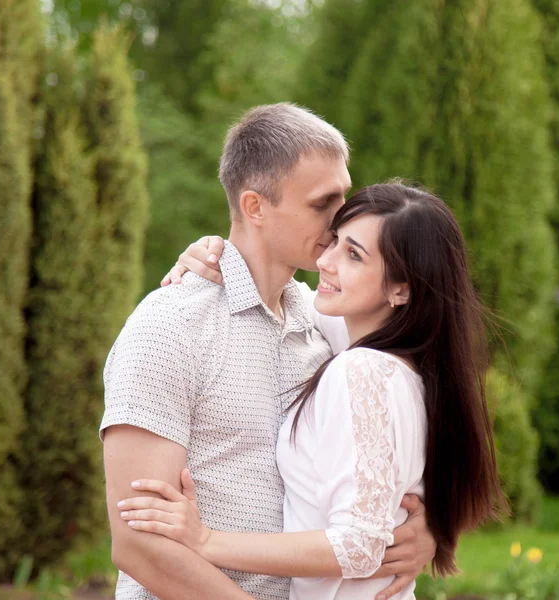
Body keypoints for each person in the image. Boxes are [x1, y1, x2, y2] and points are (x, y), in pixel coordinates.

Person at [101, 104, 436, 600]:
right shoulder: (169, 327)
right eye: (324, 203)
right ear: (255, 207)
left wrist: (427, 526)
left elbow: (416, 421)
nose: (344, 216)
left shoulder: (329, 321)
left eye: (345, 196)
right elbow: (138, 544)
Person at [117, 183, 504, 599]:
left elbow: (358, 544)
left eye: (354, 255)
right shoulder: (400, 363)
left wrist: (206, 540)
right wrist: (219, 254)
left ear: (401, 289)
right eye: (335, 241)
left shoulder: (360, 369)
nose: (324, 260)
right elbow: (275, 291)